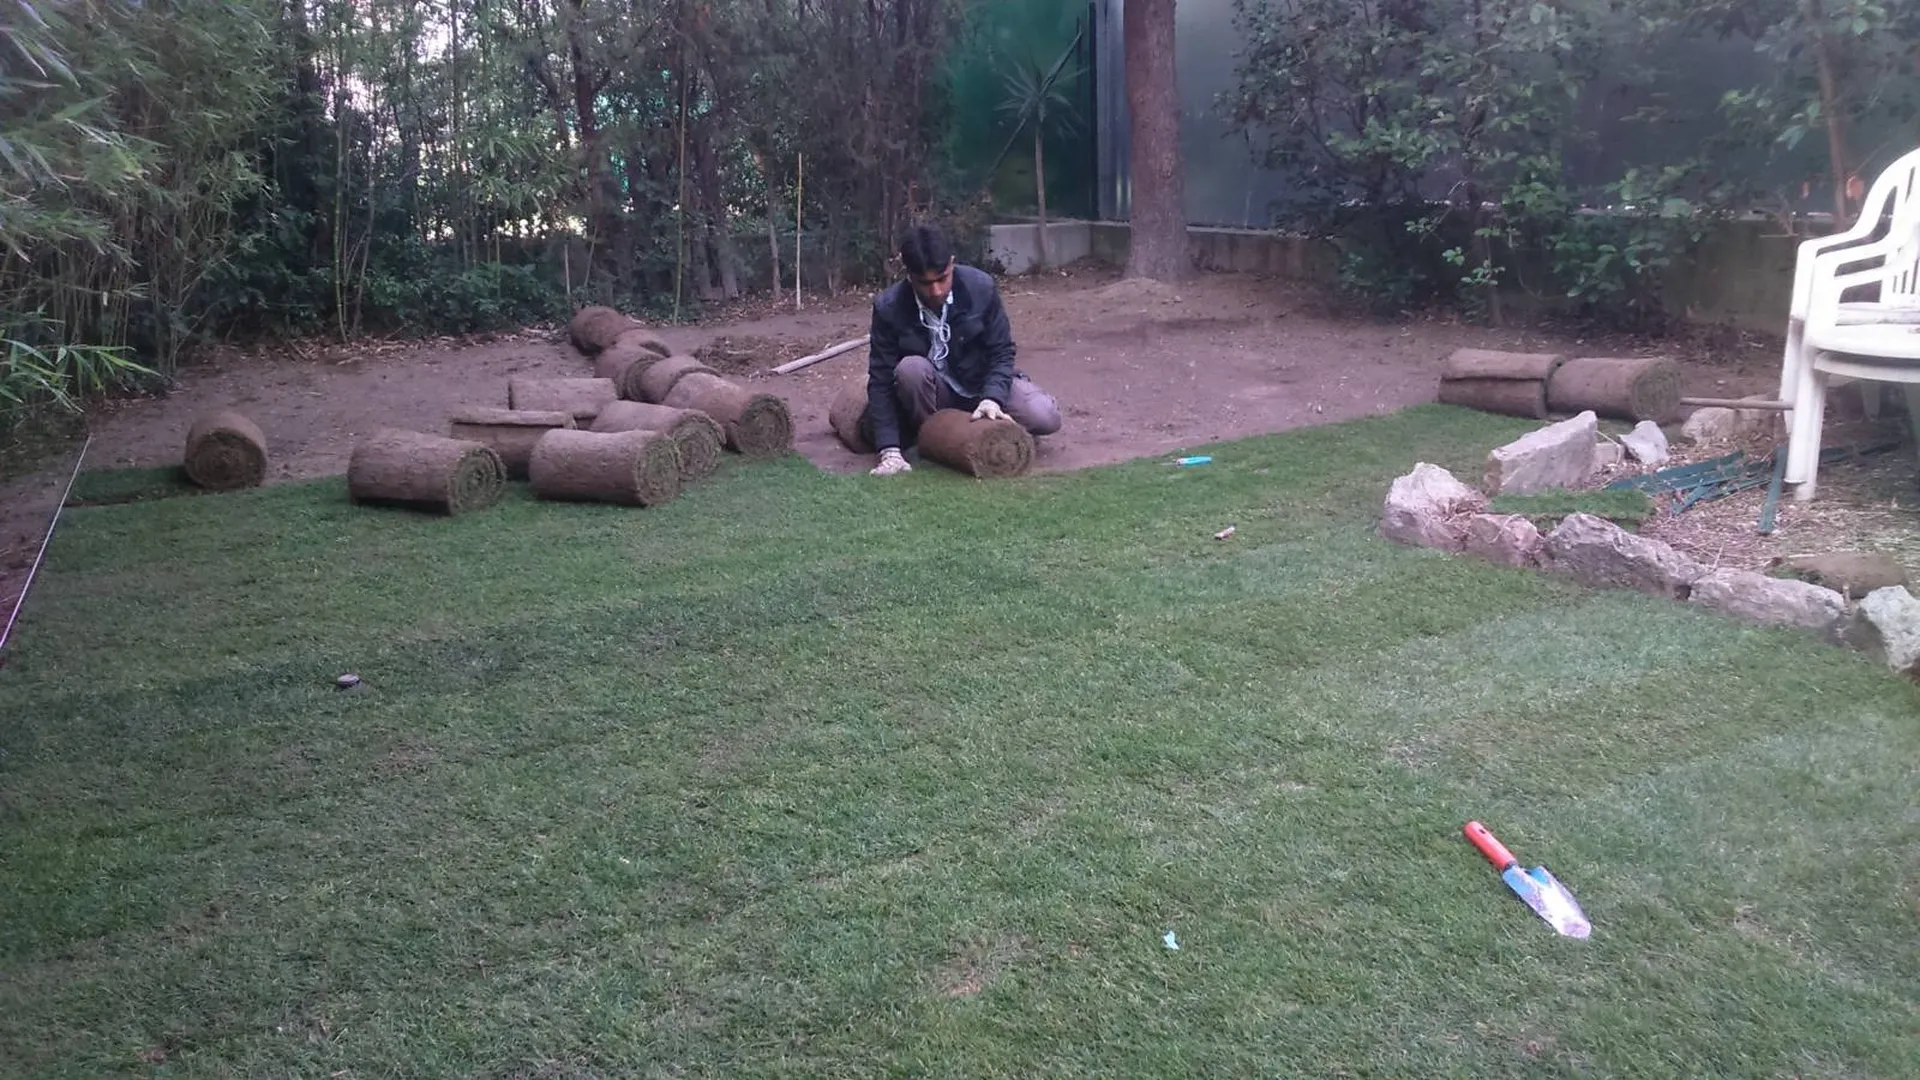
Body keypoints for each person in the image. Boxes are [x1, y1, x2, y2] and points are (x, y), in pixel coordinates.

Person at [862, 223, 1062, 476]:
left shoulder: (981, 287)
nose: (935, 291)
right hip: (932, 394)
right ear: (908, 275)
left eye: (942, 279)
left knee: (1045, 416)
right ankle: (933, 438)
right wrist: (889, 451)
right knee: (910, 369)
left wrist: (992, 397)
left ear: (952, 264)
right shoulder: (888, 307)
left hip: (979, 383)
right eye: (925, 283)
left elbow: (1002, 352)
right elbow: (880, 380)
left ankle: (992, 418)